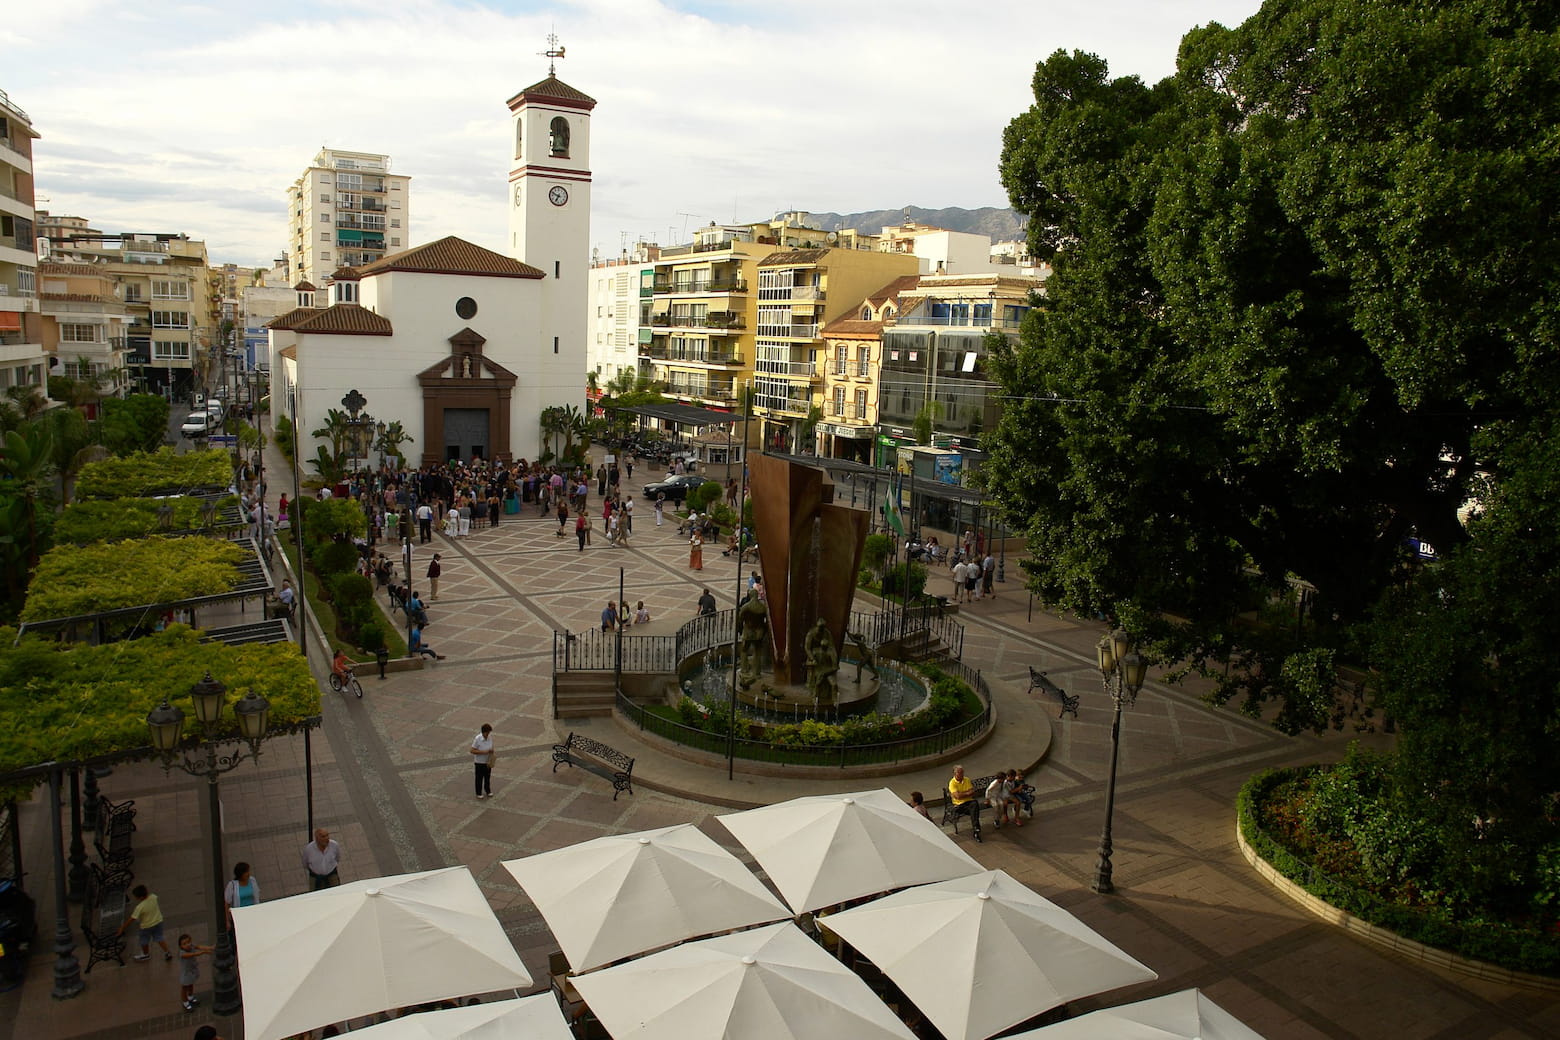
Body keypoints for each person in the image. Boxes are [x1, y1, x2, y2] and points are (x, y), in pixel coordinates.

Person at [117, 884, 173, 961]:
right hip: (158, 922)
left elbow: (132, 918)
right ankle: (167, 952)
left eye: (136, 897)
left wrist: (122, 928)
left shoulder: (140, 907)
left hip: (146, 927)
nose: (135, 898)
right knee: (159, 938)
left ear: (140, 897)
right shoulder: (153, 897)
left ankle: (146, 954)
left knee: (144, 940)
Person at [177, 933, 214, 1012]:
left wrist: (210, 948)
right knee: (184, 988)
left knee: (191, 984)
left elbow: (199, 946)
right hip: (186, 973)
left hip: (192, 970)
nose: (187, 945)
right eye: (184, 944)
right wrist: (203, 952)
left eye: (188, 942)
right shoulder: (182, 953)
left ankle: (190, 996)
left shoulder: (192, 946)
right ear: (180, 946)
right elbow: (193, 954)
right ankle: (185, 1002)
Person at [947, 765, 983, 842]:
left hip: (969, 802)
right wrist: (967, 793)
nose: (962, 774)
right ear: (955, 774)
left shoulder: (966, 779)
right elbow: (957, 796)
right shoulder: (952, 783)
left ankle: (976, 830)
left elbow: (972, 792)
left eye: (962, 772)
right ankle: (976, 829)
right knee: (974, 810)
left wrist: (962, 793)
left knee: (974, 804)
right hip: (959, 805)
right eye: (959, 773)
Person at [470, 723, 495, 800]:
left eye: (489, 732)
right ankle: (478, 793)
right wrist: (484, 752)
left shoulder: (490, 737)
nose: (488, 734)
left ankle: (488, 790)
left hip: (487, 762)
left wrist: (491, 751)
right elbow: (472, 750)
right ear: (483, 732)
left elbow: (491, 746)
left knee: (487, 777)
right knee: (479, 778)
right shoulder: (478, 739)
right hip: (479, 762)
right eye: (487, 732)